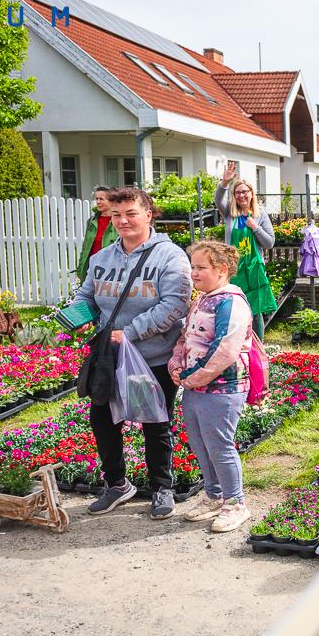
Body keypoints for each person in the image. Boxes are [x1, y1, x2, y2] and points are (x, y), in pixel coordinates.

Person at [71, 187, 192, 519]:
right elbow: (86, 296)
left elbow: (175, 304)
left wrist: (131, 332)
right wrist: (76, 317)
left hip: (152, 358)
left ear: (148, 215)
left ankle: (162, 488)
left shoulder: (170, 257)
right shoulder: (101, 258)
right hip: (109, 358)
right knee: (103, 421)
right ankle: (117, 484)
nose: (123, 221)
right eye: (116, 215)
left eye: (130, 214)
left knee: (156, 424)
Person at [168, 241, 253, 533]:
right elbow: (184, 338)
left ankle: (236, 503)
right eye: (192, 266)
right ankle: (214, 495)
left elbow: (225, 349)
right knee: (200, 443)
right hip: (195, 387)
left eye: (201, 267)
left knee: (220, 445)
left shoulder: (231, 302)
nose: (194, 273)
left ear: (222, 269)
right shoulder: (202, 300)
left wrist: (191, 376)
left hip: (223, 388)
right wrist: (176, 365)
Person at [215, 163, 276, 339]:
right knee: (233, 307)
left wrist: (256, 228)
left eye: (244, 191)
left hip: (253, 269)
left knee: (255, 311)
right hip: (233, 269)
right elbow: (218, 199)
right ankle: (235, 344)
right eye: (238, 192)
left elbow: (269, 243)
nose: (241, 195)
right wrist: (224, 182)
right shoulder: (229, 213)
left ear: (251, 194)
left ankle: (258, 347)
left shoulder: (260, 215)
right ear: (234, 196)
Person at [75, 186, 118, 283]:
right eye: (96, 199)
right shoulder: (91, 221)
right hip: (91, 269)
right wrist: (80, 269)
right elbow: (85, 248)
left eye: (101, 199)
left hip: (111, 271)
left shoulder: (119, 222)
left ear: (112, 201)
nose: (98, 202)